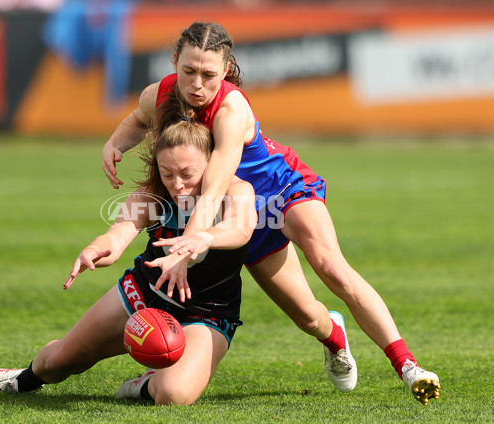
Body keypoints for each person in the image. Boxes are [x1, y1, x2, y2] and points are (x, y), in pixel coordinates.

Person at [101, 22, 440, 405]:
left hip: (280, 192)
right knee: (307, 317)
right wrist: (115, 144)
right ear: (174, 62)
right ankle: (333, 337)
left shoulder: (230, 110)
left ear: (226, 69)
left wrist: (184, 249)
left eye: (209, 74)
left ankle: (409, 366)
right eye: (189, 71)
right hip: (236, 215)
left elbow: (213, 188)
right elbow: (137, 121)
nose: (197, 84)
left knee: (330, 266)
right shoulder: (160, 94)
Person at [0, 109, 261, 405]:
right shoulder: (150, 197)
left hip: (206, 313)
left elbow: (241, 229)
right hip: (144, 295)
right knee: (59, 362)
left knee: (174, 394)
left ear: (212, 164)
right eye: (167, 173)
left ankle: (142, 386)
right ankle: (19, 379)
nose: (177, 184)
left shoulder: (237, 191)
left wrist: (202, 237)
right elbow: (116, 236)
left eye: (187, 174)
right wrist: (96, 250)